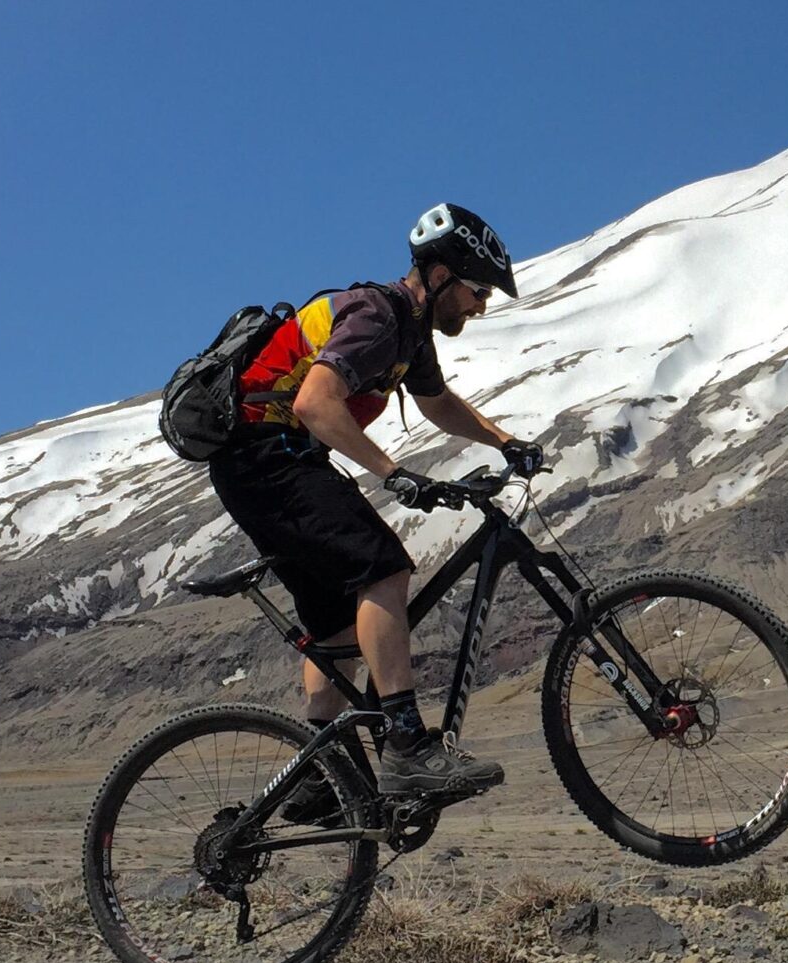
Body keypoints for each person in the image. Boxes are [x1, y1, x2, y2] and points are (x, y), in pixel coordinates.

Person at [205, 203, 541, 809]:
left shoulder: (410, 334)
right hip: (265, 458)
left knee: (336, 623)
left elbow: (437, 403)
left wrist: (505, 441)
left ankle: (319, 775)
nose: (480, 305)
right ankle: (407, 746)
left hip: (266, 464)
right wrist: (394, 474)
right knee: (384, 567)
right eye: (476, 290)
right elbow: (315, 403)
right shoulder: (377, 317)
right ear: (440, 275)